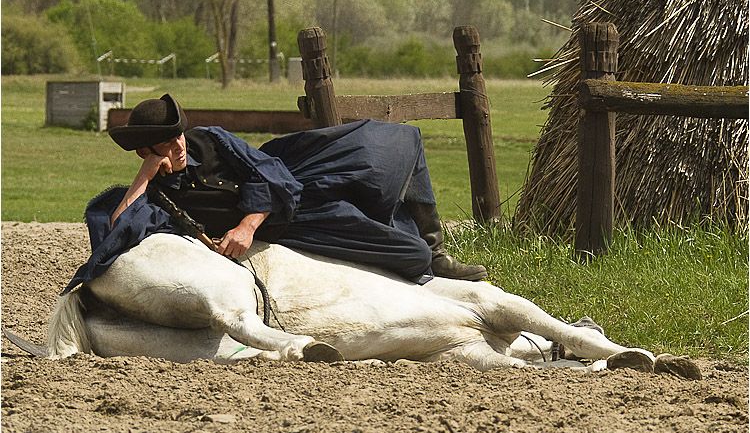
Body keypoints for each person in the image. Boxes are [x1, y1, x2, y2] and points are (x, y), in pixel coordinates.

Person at [68, 93, 486, 292]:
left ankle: (437, 250)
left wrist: (247, 225)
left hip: (297, 177)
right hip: (298, 224)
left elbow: (270, 173)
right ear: (145, 151)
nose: (179, 146)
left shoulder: (208, 139)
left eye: (177, 136)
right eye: (166, 144)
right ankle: (420, 253)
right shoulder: (156, 197)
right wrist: (145, 175)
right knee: (405, 256)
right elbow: (116, 235)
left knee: (396, 143)